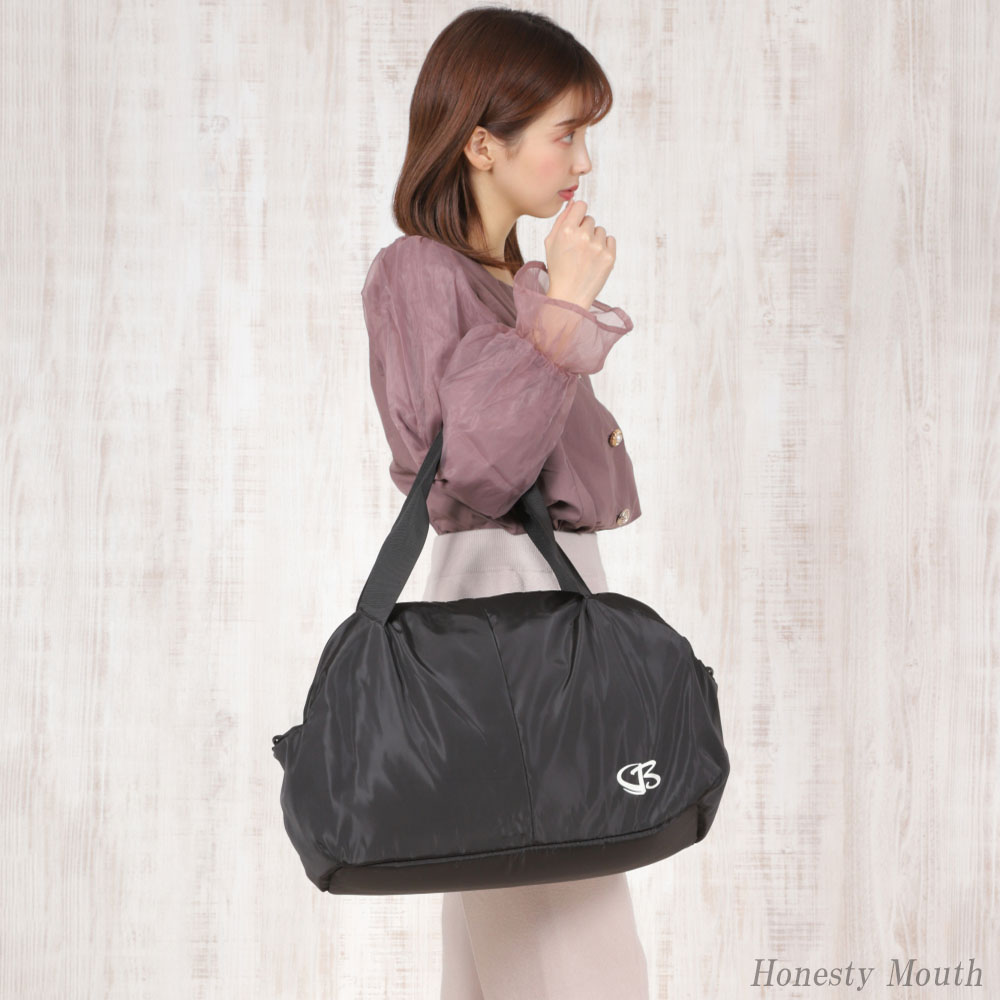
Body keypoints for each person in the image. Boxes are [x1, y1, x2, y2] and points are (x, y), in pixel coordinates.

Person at [361, 7, 649, 999]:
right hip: (500, 611)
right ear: (482, 144)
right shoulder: (417, 272)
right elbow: (468, 473)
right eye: (565, 132)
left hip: (543, 602)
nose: (583, 159)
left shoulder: (512, 279)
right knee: (582, 953)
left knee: (499, 958)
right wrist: (562, 308)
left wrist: (550, 299)